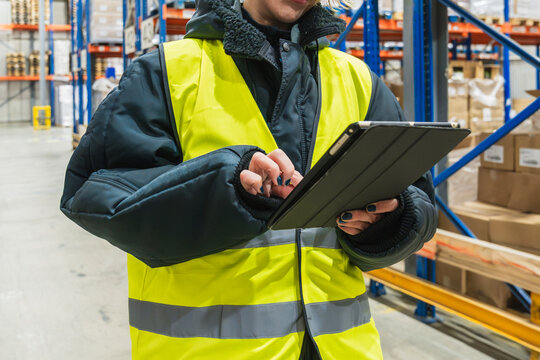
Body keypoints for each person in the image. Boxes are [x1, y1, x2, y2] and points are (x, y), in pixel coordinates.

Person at [60, 0, 438, 359]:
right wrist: (226, 188)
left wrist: (387, 221)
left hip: (338, 350)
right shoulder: (165, 73)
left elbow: (417, 200)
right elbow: (96, 195)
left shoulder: (358, 80)